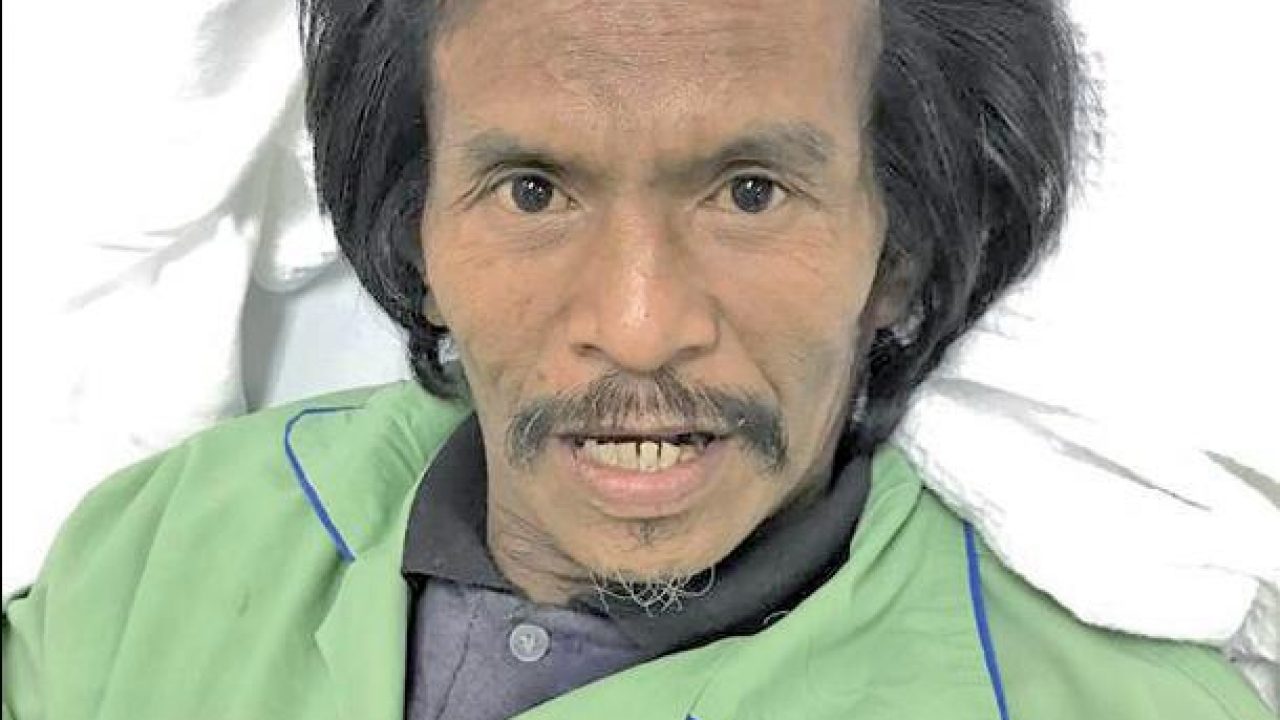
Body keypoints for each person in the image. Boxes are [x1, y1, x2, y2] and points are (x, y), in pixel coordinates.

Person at [2, 0, 1271, 718]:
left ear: (901, 256)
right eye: (534, 191)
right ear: (413, 233)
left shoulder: (1097, 703)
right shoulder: (158, 550)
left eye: (750, 192)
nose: (639, 324)